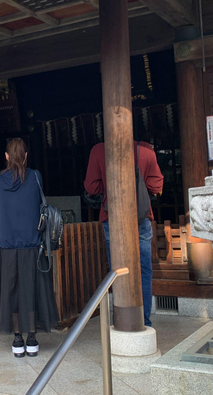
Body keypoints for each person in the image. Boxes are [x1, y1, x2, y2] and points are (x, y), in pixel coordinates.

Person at [0, 138, 58, 358]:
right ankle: (32, 338)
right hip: (32, 243)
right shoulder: (35, 176)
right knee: (32, 289)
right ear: (26, 156)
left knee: (12, 292)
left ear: (6, 157)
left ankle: (17, 338)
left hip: (8, 244)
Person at [84, 135, 163, 327]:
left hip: (113, 218)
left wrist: (109, 184)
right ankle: (143, 321)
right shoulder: (146, 150)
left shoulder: (98, 150)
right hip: (140, 218)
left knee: (117, 269)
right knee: (143, 270)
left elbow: (91, 187)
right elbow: (156, 185)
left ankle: (121, 321)